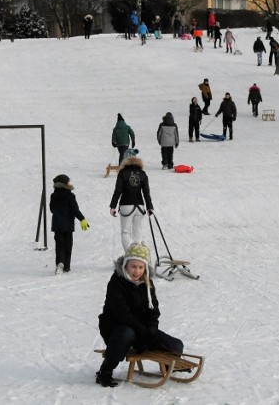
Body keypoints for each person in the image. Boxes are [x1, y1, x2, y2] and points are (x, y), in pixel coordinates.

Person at [96, 242, 184, 388]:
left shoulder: (147, 283)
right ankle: (105, 371)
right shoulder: (116, 283)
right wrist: (144, 332)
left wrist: (151, 329)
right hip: (117, 328)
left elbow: (153, 311)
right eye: (133, 266)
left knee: (176, 346)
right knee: (127, 333)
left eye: (140, 267)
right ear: (125, 265)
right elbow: (122, 314)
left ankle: (169, 365)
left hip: (141, 329)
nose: (136, 271)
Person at [109, 150, 154, 253]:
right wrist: (149, 207)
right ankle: (138, 256)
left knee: (125, 232)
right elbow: (146, 192)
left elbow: (118, 190)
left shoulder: (123, 173)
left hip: (126, 205)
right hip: (140, 206)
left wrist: (113, 206)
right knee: (137, 232)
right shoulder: (142, 173)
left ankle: (130, 256)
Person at [50, 174, 89, 274]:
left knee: (59, 245)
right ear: (64, 183)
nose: (69, 183)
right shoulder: (70, 196)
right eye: (68, 181)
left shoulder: (53, 196)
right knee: (68, 245)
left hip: (57, 225)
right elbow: (75, 210)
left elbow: (52, 209)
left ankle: (60, 263)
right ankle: (66, 266)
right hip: (68, 225)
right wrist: (82, 219)